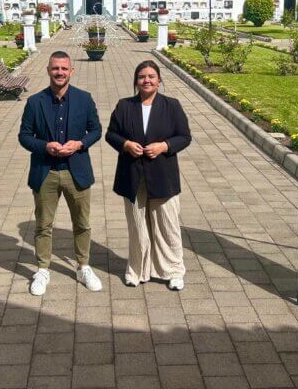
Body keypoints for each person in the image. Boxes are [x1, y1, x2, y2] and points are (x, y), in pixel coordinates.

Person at [18, 51, 103, 295]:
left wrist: (80, 144)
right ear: (48, 70)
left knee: (82, 223)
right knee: (43, 224)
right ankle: (43, 269)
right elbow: (24, 136)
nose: (60, 73)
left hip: (76, 171)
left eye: (64, 68)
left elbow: (95, 130)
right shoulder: (35, 102)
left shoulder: (84, 99)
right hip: (46, 172)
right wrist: (45, 146)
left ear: (71, 71)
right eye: (55, 68)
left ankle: (83, 266)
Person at [105, 60, 192, 290]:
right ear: (136, 81)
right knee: (137, 226)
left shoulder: (171, 105)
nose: (147, 80)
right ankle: (136, 270)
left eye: (152, 76)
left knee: (167, 224)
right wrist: (125, 144)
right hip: (132, 176)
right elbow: (111, 134)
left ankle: (173, 271)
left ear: (159, 80)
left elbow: (184, 136)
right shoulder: (124, 106)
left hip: (163, 176)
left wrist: (164, 146)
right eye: (142, 76)